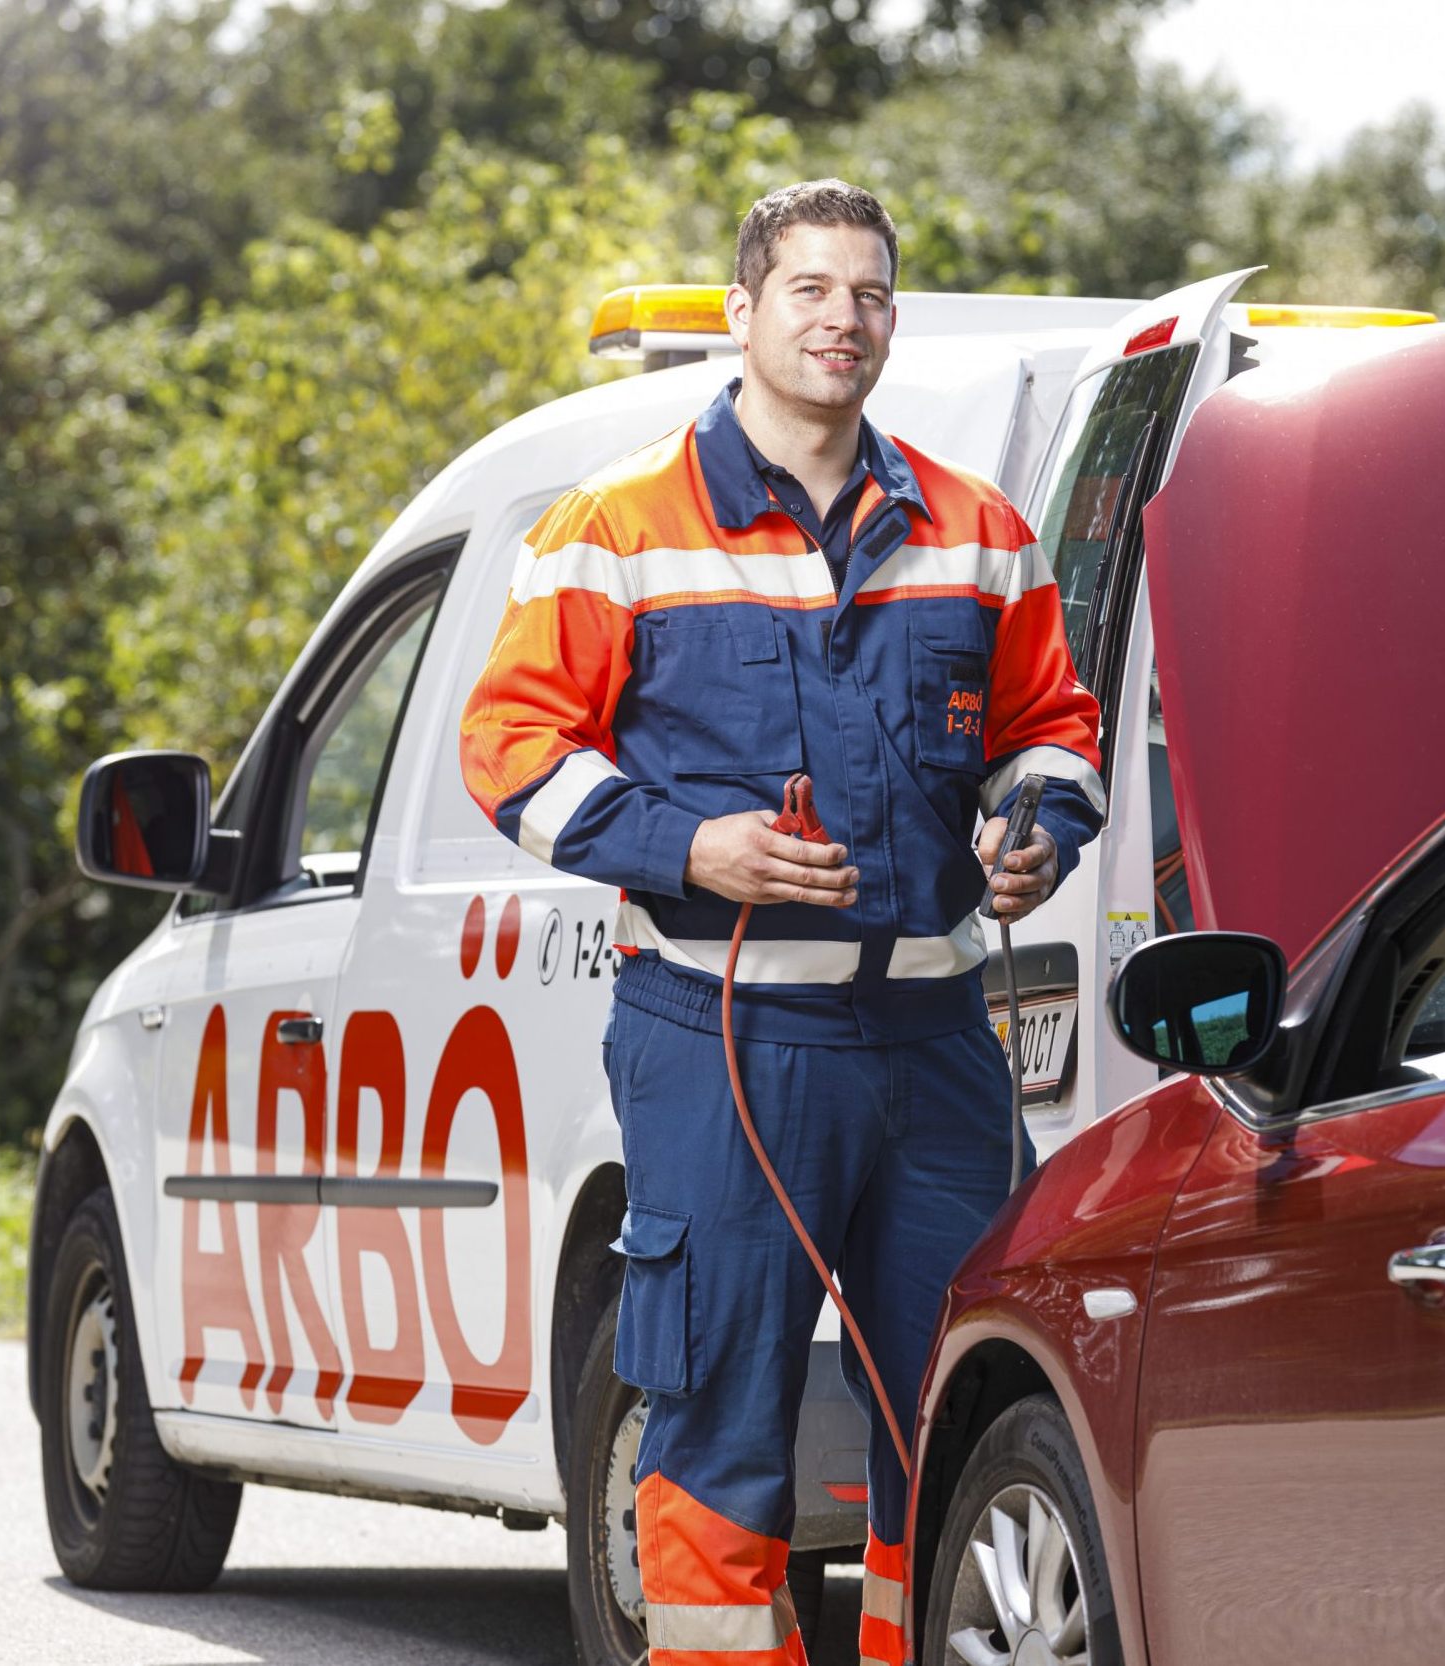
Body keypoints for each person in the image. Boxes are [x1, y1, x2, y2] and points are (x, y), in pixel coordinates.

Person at [458, 178, 1104, 1666]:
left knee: (950, 1402)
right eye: (809, 289)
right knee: (718, 1412)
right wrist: (694, 844)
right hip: (720, 1030)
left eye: (869, 292)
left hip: (934, 1033)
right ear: (743, 314)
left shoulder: (975, 529)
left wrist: (1035, 828)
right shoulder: (612, 527)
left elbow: (1052, 728)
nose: (843, 318)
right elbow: (513, 751)